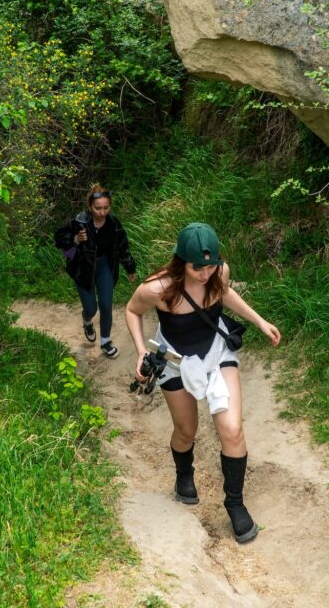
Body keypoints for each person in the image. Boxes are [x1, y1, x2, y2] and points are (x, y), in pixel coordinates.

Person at [124, 222, 281, 543]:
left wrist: (260, 321)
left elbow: (225, 292)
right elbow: (131, 310)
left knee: (232, 429)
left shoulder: (218, 274)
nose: (205, 272)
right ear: (181, 260)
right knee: (186, 430)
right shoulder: (157, 288)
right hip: (175, 361)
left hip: (214, 353)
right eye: (198, 266)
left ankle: (234, 503)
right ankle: (184, 475)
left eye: (211, 265)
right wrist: (141, 351)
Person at [54, 184, 137, 358]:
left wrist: (130, 268)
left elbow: (123, 247)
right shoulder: (80, 222)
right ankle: (87, 321)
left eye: (106, 208)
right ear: (90, 207)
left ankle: (105, 341)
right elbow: (60, 238)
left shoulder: (114, 224)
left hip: (104, 266)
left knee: (106, 306)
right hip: (83, 269)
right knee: (91, 309)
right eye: (98, 208)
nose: (102, 212)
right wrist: (76, 239)